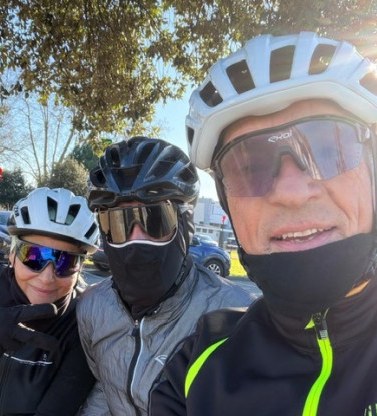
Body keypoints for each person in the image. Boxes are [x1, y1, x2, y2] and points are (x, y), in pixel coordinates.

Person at [150, 31, 377, 415]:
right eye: (250, 168)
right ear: (228, 207)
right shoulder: (195, 369)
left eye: (330, 150)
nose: (291, 192)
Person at [76, 136, 255, 415]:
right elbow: (105, 388)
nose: (135, 239)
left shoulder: (237, 316)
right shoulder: (91, 307)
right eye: (118, 223)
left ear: (186, 224)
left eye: (155, 219)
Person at [0, 187, 100, 415]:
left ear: (79, 268)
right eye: (34, 256)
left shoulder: (81, 323)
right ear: (12, 255)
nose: (47, 277)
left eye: (66, 262)